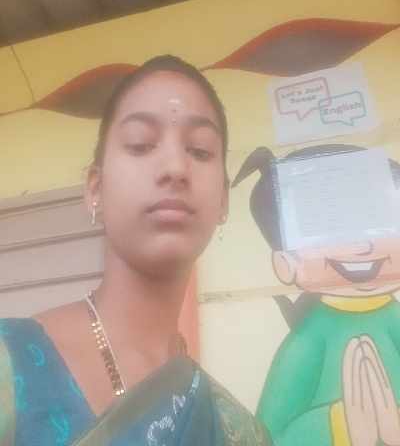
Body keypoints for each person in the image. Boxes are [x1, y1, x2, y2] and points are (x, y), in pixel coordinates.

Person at [0, 55, 269, 445]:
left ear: (224, 200)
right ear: (96, 189)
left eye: (200, 150)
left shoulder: (239, 432)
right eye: (141, 144)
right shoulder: (10, 364)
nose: (175, 167)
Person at [234, 144, 400, 446]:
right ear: (285, 263)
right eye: (333, 229)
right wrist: (339, 424)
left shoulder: (394, 320)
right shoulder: (308, 341)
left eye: (378, 224)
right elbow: (269, 435)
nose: (362, 246)